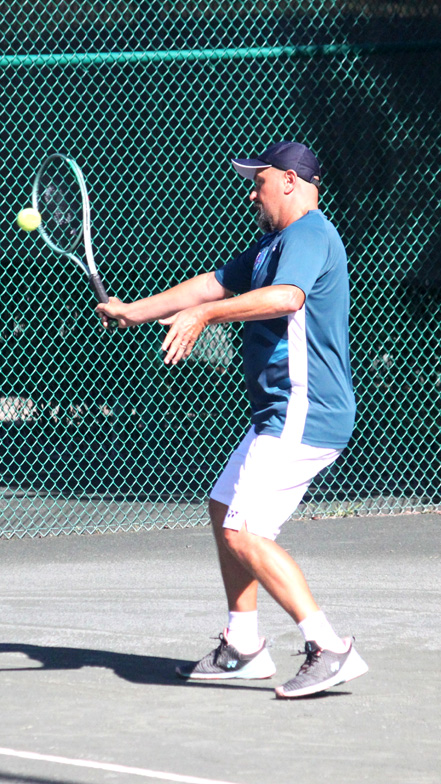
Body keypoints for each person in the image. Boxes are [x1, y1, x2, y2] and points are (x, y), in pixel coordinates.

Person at [96, 141, 366, 699]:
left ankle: (328, 647)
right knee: (224, 507)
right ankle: (243, 645)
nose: (251, 193)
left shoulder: (310, 234)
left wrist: (205, 316)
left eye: (259, 182)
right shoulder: (273, 244)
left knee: (245, 531)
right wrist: (134, 310)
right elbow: (211, 284)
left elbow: (287, 298)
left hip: (304, 410)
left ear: (289, 181)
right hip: (278, 412)